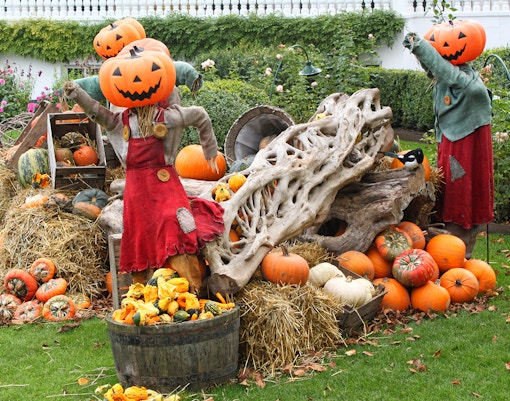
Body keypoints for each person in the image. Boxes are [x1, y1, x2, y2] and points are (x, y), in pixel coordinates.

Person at [63, 79, 223, 294]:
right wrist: (78, 93)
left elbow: (200, 115)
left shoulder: (168, 117)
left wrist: (210, 149)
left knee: (174, 224)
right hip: (137, 190)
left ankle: (188, 291)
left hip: (164, 183)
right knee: (140, 235)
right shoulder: (122, 121)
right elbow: (96, 112)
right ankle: (146, 294)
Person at [403, 32, 494, 258]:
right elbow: (436, 70)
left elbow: (445, 71)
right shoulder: (456, 75)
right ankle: (448, 235)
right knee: (451, 182)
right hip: (454, 136)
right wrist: (418, 50)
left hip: (466, 139)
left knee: (461, 182)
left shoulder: (466, 81)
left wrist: (421, 47)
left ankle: (458, 245)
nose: (442, 48)